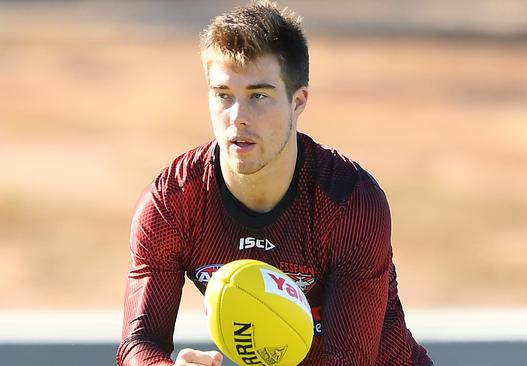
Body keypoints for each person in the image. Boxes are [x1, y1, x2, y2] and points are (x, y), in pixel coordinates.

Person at [117, 1, 433, 365]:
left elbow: (347, 360)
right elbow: (137, 345)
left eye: (258, 96)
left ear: (298, 102)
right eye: (223, 95)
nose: (238, 118)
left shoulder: (349, 202)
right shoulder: (172, 205)